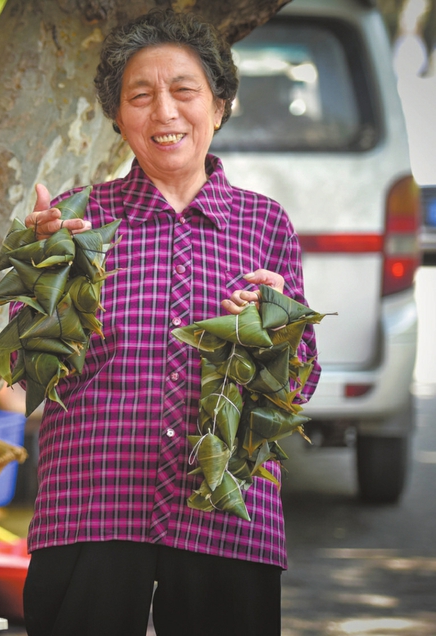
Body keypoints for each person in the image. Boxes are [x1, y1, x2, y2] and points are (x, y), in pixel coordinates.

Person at [20, 10, 320, 636]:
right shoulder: (80, 221)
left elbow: (296, 384)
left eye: (184, 91)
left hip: (227, 519)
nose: (165, 112)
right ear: (118, 115)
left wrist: (277, 325)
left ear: (220, 104)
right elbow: (32, 373)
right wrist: (43, 270)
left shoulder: (265, 225)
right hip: (92, 507)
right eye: (140, 95)